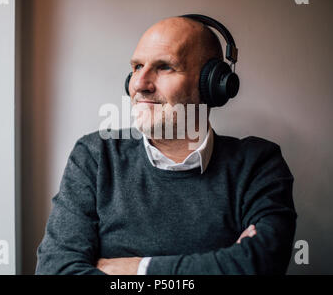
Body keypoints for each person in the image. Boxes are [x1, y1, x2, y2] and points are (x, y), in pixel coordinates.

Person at [35, 15, 297, 275]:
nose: (139, 84)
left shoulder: (258, 164)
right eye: (137, 67)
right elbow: (55, 270)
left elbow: (260, 266)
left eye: (164, 67)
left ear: (211, 84)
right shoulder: (95, 156)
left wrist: (138, 268)